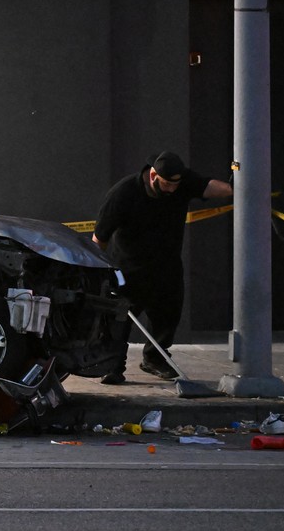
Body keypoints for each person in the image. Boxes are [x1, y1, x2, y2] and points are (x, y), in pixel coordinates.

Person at [92, 150, 233, 384]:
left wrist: (235, 189)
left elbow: (206, 186)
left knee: (168, 315)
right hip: (128, 268)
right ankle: (112, 366)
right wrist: (99, 270)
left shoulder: (181, 182)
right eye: (167, 184)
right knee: (119, 319)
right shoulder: (124, 193)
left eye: (176, 185)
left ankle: (154, 359)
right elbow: (100, 237)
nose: (172, 190)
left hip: (166, 265)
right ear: (153, 175)